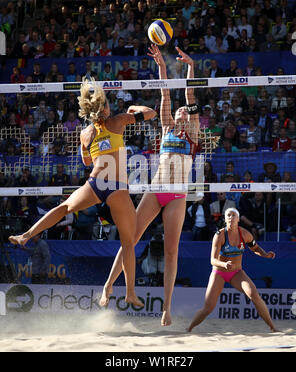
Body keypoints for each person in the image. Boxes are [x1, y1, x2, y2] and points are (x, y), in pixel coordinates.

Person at [9, 78, 157, 307]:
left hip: (96, 183)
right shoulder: (118, 121)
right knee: (128, 243)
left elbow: (86, 160)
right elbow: (152, 113)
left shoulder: (86, 133)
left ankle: (26, 235)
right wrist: (133, 109)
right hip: (116, 187)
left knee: (63, 207)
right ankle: (130, 292)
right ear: (104, 106)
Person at [100, 45, 201, 326]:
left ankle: (166, 308)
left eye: (185, 111)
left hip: (177, 195)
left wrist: (191, 67)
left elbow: (189, 94)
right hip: (156, 191)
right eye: (179, 111)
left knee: (171, 251)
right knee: (129, 238)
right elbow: (165, 92)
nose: (181, 111)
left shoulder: (193, 130)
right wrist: (162, 65)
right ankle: (108, 286)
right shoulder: (167, 126)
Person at [187, 208, 277, 333]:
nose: (231, 217)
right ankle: (189, 328)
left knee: (254, 295)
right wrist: (223, 264)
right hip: (219, 272)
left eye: (233, 215)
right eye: (228, 215)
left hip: (236, 272)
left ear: (238, 219)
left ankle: (272, 327)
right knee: (208, 308)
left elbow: (255, 248)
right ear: (225, 219)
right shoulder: (219, 235)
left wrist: (265, 254)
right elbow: (212, 260)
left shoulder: (245, 234)